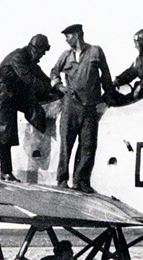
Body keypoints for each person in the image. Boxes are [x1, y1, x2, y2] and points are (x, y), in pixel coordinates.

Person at [48, 23, 115, 192]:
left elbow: (105, 74)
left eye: (68, 36)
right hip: (71, 105)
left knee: (88, 145)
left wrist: (108, 95)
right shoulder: (65, 55)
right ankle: (62, 179)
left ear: (77, 35)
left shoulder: (95, 51)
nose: (66, 40)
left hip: (90, 105)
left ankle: (81, 181)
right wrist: (58, 86)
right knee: (66, 143)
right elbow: (54, 72)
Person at [0, 34, 59, 182]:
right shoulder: (19, 57)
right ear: (36, 49)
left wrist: (54, 86)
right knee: (4, 134)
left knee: (36, 112)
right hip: (1, 96)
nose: (43, 55)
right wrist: (50, 85)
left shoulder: (29, 59)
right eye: (43, 51)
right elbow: (28, 79)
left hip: (12, 95)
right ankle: (6, 172)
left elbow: (40, 77)